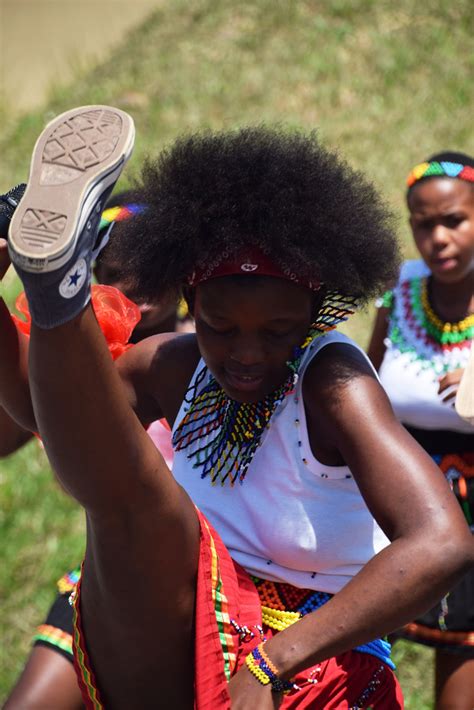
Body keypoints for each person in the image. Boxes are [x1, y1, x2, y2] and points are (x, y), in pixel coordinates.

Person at [1, 105, 473, 709]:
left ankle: (59, 296)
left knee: (145, 505)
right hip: (186, 617)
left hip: (311, 658)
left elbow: (443, 542)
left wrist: (273, 660)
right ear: (191, 302)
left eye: (277, 331)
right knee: (129, 492)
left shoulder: (331, 380)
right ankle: (57, 295)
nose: (247, 355)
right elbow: (54, 417)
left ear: (312, 312)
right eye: (221, 327)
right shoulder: (176, 365)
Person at [3, 189, 190, 708]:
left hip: (204, 593)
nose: (144, 282)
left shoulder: (219, 353)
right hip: (105, 582)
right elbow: (10, 430)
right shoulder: (76, 365)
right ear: (92, 271)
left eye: (158, 263)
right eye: (121, 264)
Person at [368, 152, 474, 709]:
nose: (439, 238)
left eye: (454, 220)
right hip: (397, 495)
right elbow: (362, 386)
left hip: (470, 512)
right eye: (423, 224)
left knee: (461, 660)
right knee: (360, 650)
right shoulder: (400, 291)